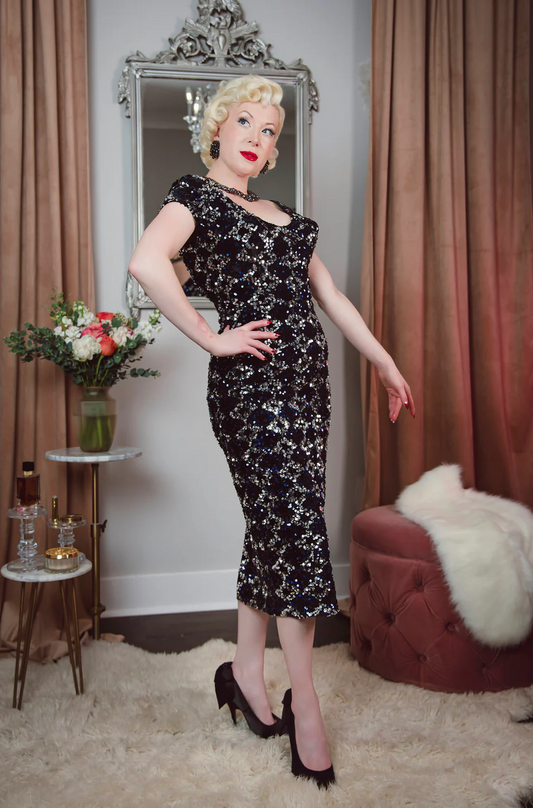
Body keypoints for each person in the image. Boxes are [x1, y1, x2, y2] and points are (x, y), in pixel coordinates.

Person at [129, 74, 415, 789]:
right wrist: (210, 338)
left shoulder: (287, 218)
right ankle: (305, 701)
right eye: (247, 125)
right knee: (294, 530)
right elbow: (145, 264)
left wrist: (382, 362)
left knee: (273, 529)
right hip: (250, 392)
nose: (259, 140)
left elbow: (333, 299)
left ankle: (245, 674)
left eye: (271, 134)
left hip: (307, 390)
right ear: (218, 130)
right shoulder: (192, 198)